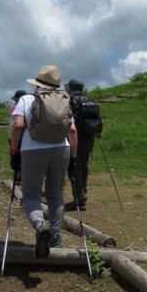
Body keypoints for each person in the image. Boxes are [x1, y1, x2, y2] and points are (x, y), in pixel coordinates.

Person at [9, 66, 77, 257]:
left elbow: (18, 126)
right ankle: (55, 237)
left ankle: (40, 226)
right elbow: (72, 131)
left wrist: (14, 152)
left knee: (31, 194)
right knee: (56, 194)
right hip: (61, 149)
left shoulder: (27, 99)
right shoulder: (65, 100)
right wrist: (73, 158)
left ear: (37, 83)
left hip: (33, 150)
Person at [65, 78, 102, 211]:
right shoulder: (90, 100)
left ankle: (79, 200)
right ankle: (82, 194)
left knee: (74, 167)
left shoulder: (70, 101)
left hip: (76, 137)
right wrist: (98, 133)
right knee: (84, 165)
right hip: (90, 137)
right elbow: (99, 119)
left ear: (70, 89)